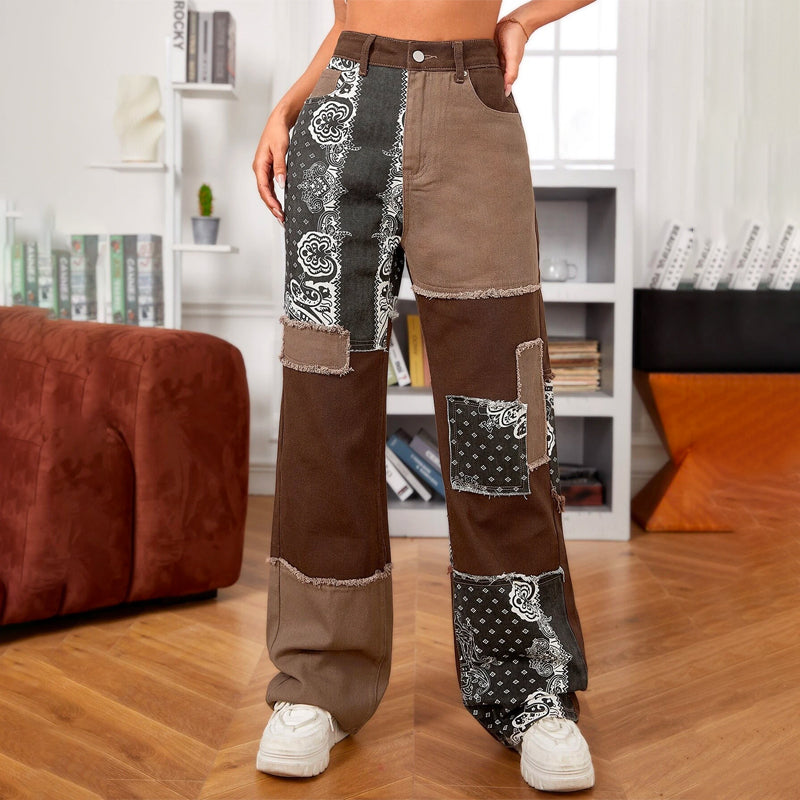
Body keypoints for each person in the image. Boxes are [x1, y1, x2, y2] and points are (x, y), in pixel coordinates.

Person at [252, 0, 597, 792]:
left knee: (501, 414)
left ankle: (530, 691)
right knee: (324, 408)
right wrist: (289, 104)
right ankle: (316, 683)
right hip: (342, 111)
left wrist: (523, 22)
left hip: (473, 112)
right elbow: (348, 17)